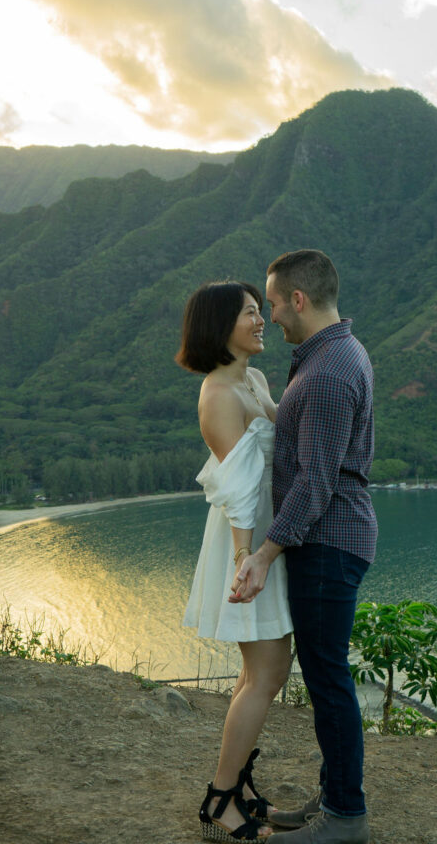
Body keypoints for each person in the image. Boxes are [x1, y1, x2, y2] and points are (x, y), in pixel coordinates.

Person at [232, 250, 378, 844]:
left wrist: (263, 554)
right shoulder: (329, 355)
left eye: (271, 302)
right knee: (326, 676)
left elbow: (316, 482)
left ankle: (346, 818)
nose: (270, 314)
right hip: (332, 538)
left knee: (327, 679)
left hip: (328, 542)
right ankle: (334, 800)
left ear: (297, 298)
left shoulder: (326, 371)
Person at [177, 281, 293, 842]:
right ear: (219, 325)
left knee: (259, 673)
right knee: (267, 675)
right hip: (246, 539)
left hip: (265, 538)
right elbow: (240, 490)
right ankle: (220, 800)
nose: (260, 320)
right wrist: (249, 559)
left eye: (258, 311)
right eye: (250, 313)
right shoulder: (219, 393)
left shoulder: (254, 378)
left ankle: (240, 788)